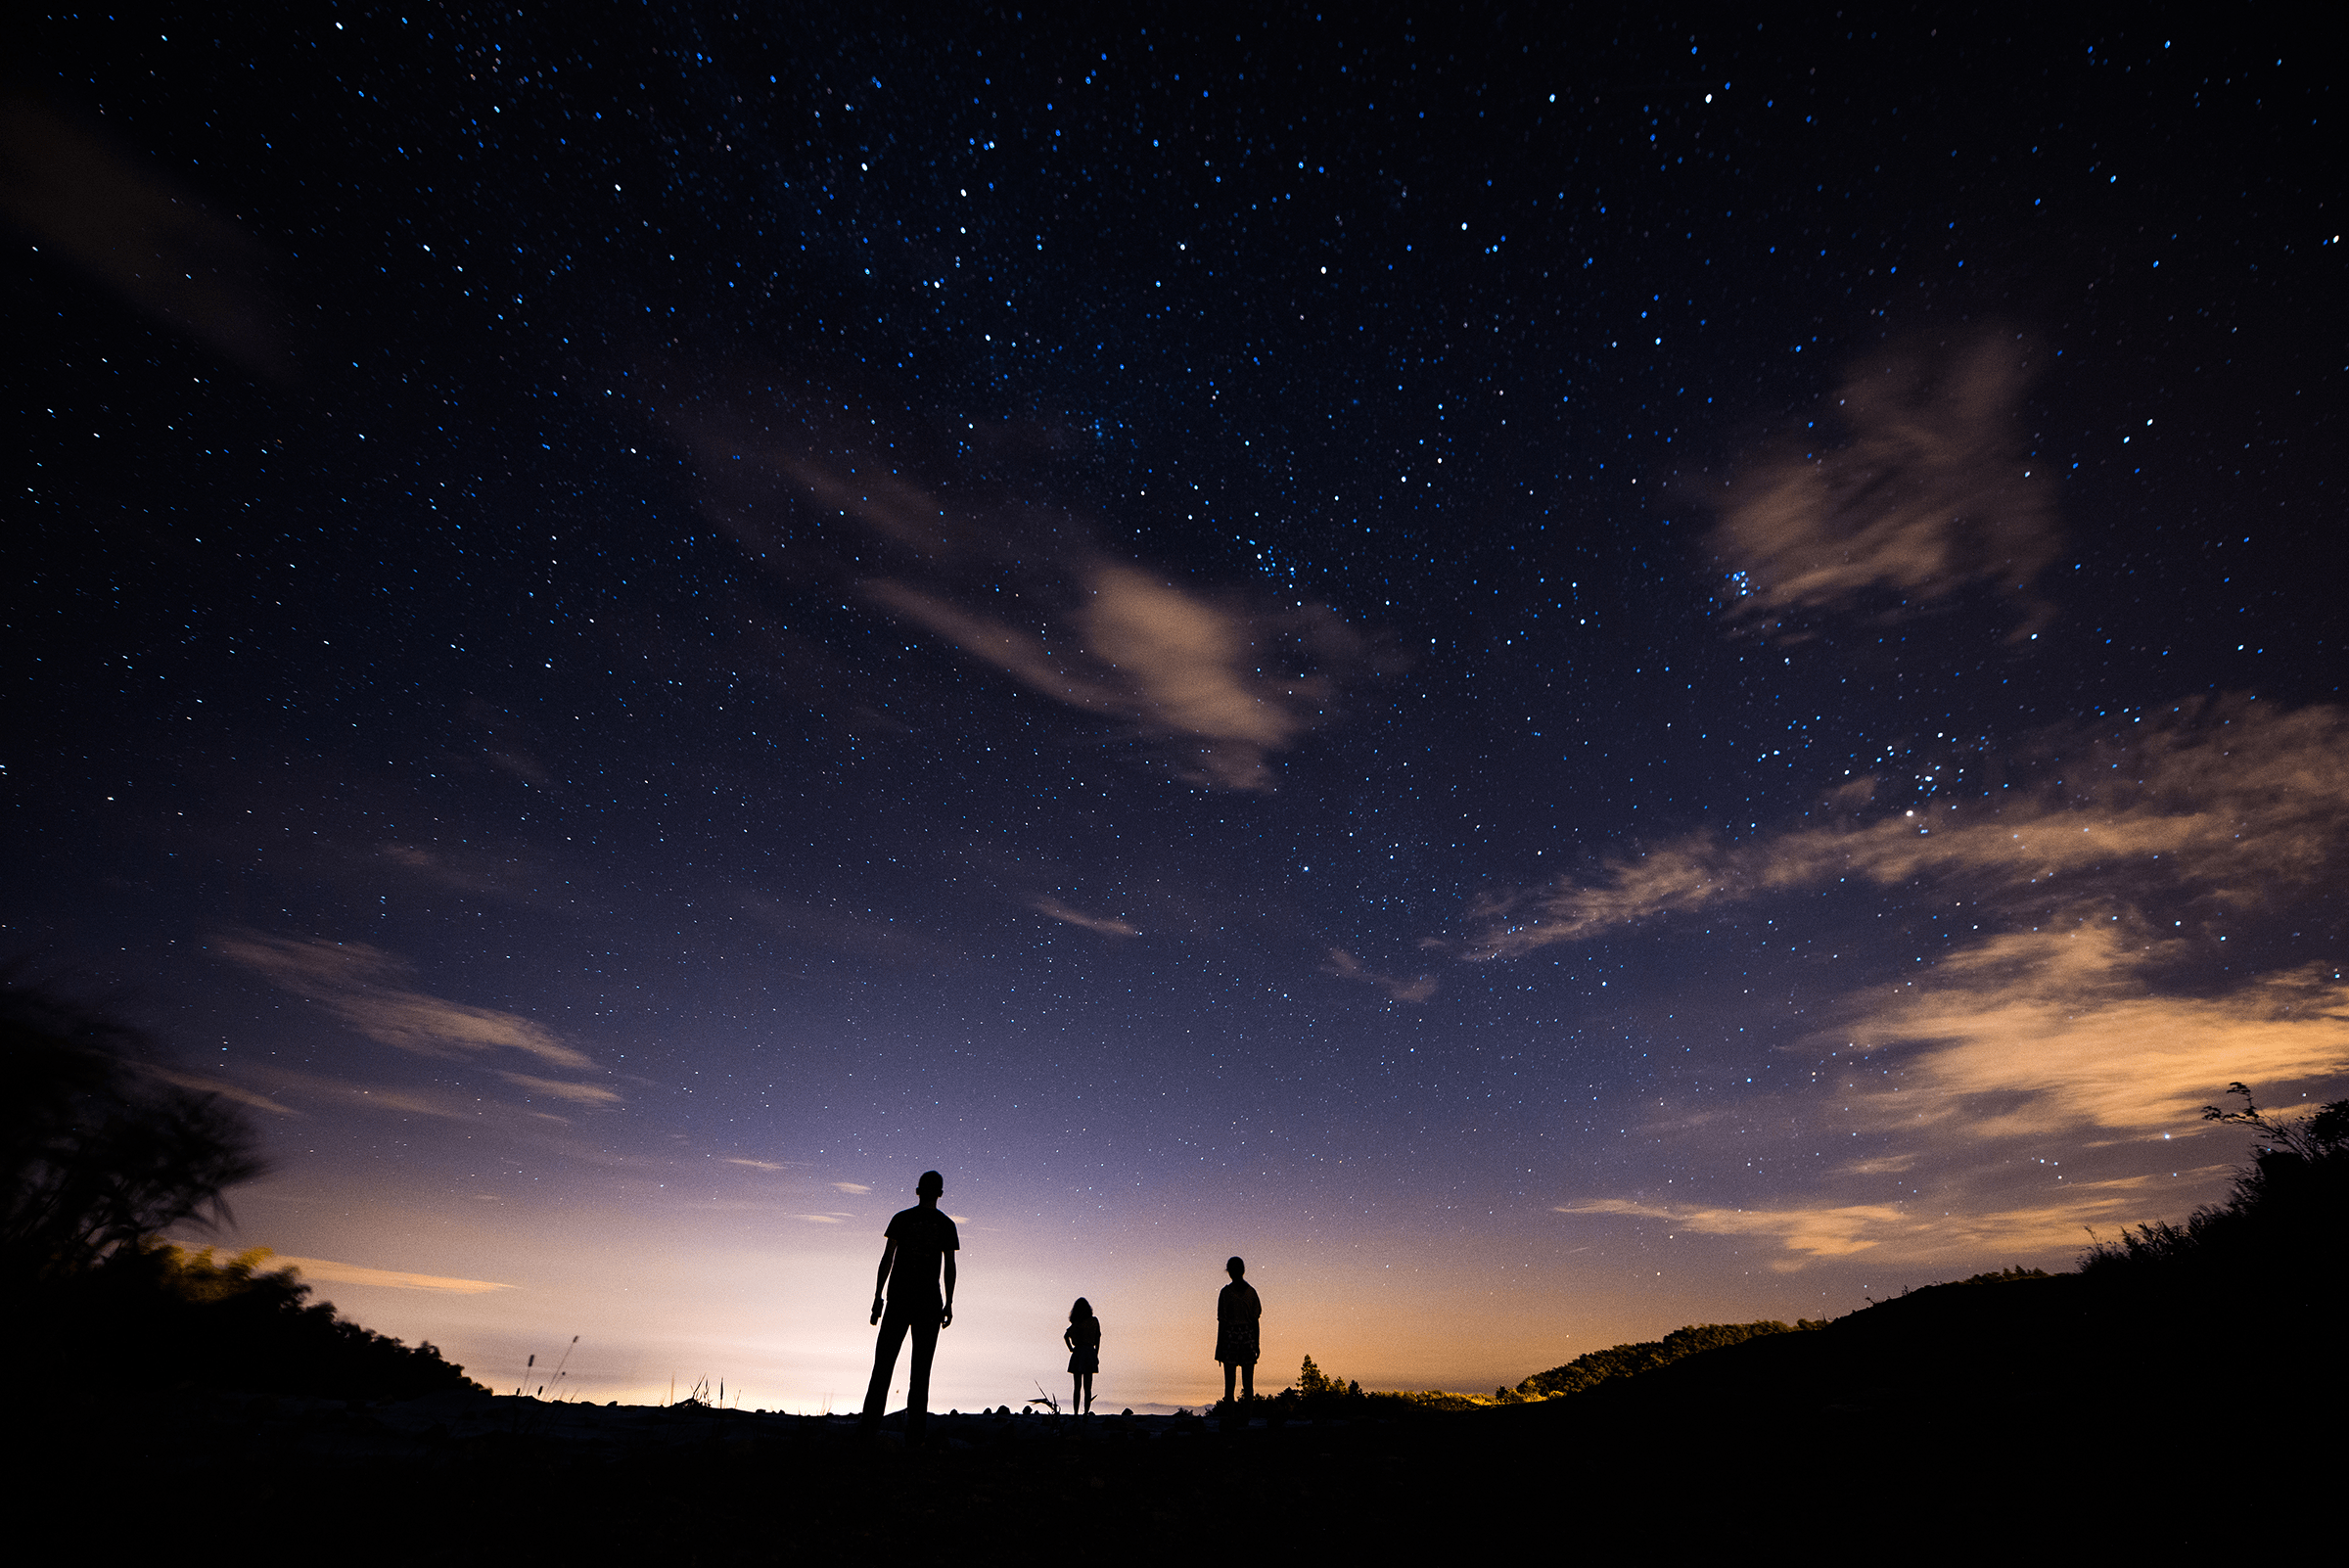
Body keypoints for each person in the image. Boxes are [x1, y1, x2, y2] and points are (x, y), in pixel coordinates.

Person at [857, 1170, 958, 1443]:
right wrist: (949, 1302)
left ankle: (866, 1436)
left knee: (882, 1369)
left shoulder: (902, 1219)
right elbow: (950, 1266)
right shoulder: (946, 1225)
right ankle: (914, 1442)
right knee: (920, 1374)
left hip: (899, 1300)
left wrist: (877, 1296)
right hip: (928, 1303)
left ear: (917, 1191)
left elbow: (887, 1259)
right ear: (939, 1193)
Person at [1214, 1255, 1260, 1407]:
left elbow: (1222, 1322)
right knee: (1248, 1383)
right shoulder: (1251, 1293)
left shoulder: (1225, 1293)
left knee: (1230, 1383)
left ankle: (1230, 1417)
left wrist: (1219, 1347)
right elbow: (1255, 1321)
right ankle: (1247, 1416)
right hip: (1248, 1338)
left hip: (1230, 1339)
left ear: (1229, 1272)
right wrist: (1257, 1344)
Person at [1065, 1297, 1101, 1417]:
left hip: (1078, 1353)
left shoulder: (1076, 1324)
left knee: (1077, 1387)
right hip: (1089, 1353)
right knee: (1088, 1387)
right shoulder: (1094, 1321)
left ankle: (1076, 1413)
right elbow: (1098, 1339)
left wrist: (1071, 1348)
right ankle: (1085, 1413)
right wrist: (1096, 1354)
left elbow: (1066, 1336)